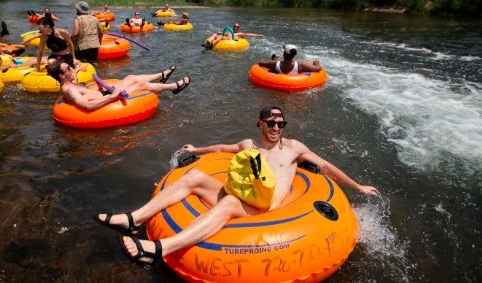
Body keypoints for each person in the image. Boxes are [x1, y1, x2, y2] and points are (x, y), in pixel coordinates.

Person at [95, 106, 379, 265]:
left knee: (229, 202)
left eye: (280, 122)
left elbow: (327, 166)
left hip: (268, 206)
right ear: (260, 123)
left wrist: (357, 187)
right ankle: (135, 219)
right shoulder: (248, 144)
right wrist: (197, 148)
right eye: (271, 121)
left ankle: (160, 249)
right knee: (193, 178)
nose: (277, 127)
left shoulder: (294, 148)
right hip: (246, 195)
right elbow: (221, 147)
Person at [46, 60, 191, 111]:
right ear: (61, 75)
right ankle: (174, 87)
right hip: (108, 98)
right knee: (142, 85)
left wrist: (99, 87)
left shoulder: (68, 82)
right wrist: (111, 97)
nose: (71, 69)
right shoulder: (69, 89)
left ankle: (162, 75)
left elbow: (84, 92)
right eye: (68, 69)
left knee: (131, 77)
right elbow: (86, 106)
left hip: (103, 93)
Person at [257, 44, 323, 74]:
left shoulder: (274, 64)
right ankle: (275, 57)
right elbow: (319, 69)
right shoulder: (301, 66)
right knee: (281, 59)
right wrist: (316, 62)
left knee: (277, 58)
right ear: (294, 55)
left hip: (278, 64)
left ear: (284, 53)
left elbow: (260, 63)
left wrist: (263, 60)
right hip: (294, 67)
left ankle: (274, 57)